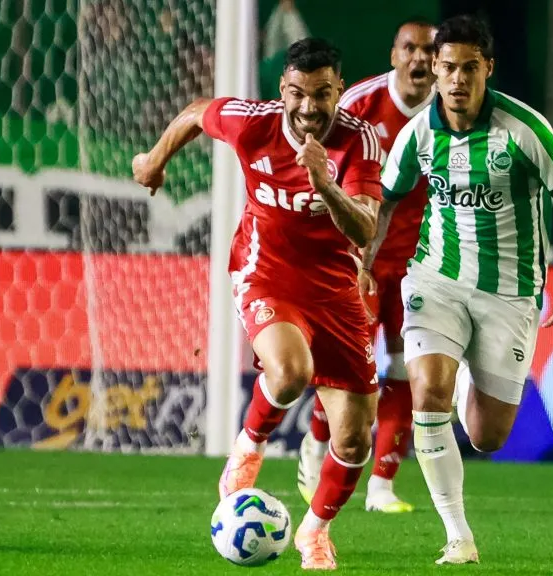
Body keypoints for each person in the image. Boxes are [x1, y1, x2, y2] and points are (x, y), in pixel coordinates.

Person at [132, 38, 383, 571]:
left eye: (321, 94)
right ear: (282, 89)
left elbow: (364, 227)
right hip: (265, 272)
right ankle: (248, 447)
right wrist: (155, 161)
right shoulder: (253, 123)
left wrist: (324, 182)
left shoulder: (358, 141)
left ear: (340, 89)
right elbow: (198, 113)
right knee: (291, 372)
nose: (309, 106)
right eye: (297, 93)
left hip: (335, 290)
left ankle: (314, 532)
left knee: (357, 439)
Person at [365, 15, 553, 564]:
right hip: (435, 280)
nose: (456, 79)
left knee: (487, 436)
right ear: (437, 71)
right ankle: (458, 536)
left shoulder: (523, 129)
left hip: (510, 292)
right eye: (448, 67)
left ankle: (467, 364)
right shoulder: (418, 132)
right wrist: (362, 267)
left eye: (469, 67)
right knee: (427, 393)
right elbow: (385, 202)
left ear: (487, 69)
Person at [296, 18, 436, 515]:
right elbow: (325, 176)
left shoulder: (455, 109)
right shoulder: (358, 104)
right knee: (348, 366)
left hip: (424, 266)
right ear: (394, 54)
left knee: (409, 369)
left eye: (429, 51)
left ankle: (382, 485)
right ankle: (315, 441)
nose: (421, 59)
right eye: (410, 49)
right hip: (363, 261)